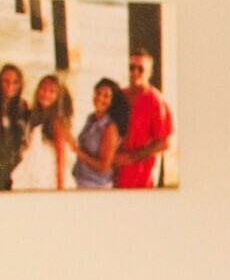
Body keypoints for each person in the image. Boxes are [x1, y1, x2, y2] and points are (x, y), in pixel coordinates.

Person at [115, 47, 174, 188]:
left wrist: (132, 157)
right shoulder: (119, 96)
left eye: (140, 69)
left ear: (149, 72)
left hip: (142, 177)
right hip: (116, 174)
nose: (135, 72)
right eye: (131, 67)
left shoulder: (155, 101)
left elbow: (165, 142)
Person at [10, 73, 73, 190]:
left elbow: (61, 157)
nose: (46, 94)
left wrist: (60, 187)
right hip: (34, 167)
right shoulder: (35, 116)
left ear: (57, 96)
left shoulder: (57, 122)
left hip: (47, 175)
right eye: (43, 89)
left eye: (51, 91)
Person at [73, 77, 129, 189]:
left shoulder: (110, 128)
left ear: (112, 101)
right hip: (81, 179)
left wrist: (77, 152)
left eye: (106, 96)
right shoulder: (91, 118)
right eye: (98, 93)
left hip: (97, 185)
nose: (100, 98)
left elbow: (104, 166)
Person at [0, 64, 27, 191]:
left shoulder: (23, 108)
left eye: (15, 82)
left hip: (14, 170)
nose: (10, 86)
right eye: (6, 81)